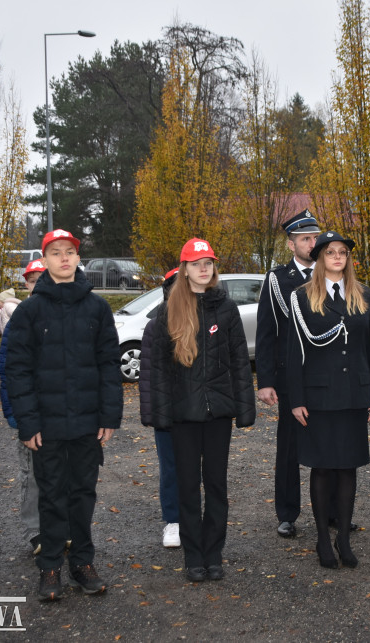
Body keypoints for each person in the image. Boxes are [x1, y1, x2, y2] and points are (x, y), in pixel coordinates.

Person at [5, 229, 123, 601]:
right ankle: (51, 566)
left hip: (88, 423)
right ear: (46, 259)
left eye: (70, 252)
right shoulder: (30, 311)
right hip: (48, 425)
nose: (64, 259)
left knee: (82, 495)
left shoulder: (97, 309)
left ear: (77, 257)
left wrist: (109, 417)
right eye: (56, 253)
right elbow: (18, 371)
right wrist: (28, 421)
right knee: (52, 496)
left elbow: (109, 365)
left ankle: (82, 562)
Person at [150, 241, 255, 581]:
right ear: (184, 269)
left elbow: (240, 361)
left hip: (218, 415)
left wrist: (244, 408)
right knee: (187, 487)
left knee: (217, 485)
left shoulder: (226, 308)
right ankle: (193, 556)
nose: (203, 268)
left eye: (208, 262)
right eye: (196, 263)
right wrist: (160, 415)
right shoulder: (168, 311)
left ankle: (214, 553)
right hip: (183, 416)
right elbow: (157, 371)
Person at [287, 231, 370, 569]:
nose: (338, 257)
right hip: (319, 397)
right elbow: (293, 351)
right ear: (320, 259)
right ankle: (323, 540)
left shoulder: (364, 295)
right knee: (324, 467)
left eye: (343, 253)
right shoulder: (301, 298)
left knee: (348, 467)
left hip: (354, 394)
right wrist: (295, 398)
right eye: (331, 253)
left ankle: (343, 537)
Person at [255, 209, 321, 538]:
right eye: (305, 238)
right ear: (292, 243)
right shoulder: (278, 280)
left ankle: (332, 511)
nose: (312, 243)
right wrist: (265, 381)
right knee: (290, 449)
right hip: (290, 377)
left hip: (326, 377)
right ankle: (287, 512)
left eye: (315, 237)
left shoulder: (332, 275)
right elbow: (266, 333)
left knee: (331, 445)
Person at [0, 259, 45, 557]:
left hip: (60, 414)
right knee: (32, 475)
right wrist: (14, 415)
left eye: (43, 277)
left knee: (62, 474)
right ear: (25, 285)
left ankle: (61, 527)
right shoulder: (19, 320)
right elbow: (8, 371)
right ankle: (36, 531)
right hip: (30, 414)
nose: (37, 284)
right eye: (32, 280)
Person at [139, 267, 181, 550]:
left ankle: (195, 519)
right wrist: (155, 413)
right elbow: (149, 374)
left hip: (202, 413)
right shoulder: (156, 326)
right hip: (169, 413)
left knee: (201, 470)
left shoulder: (211, 320)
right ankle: (174, 521)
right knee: (171, 468)